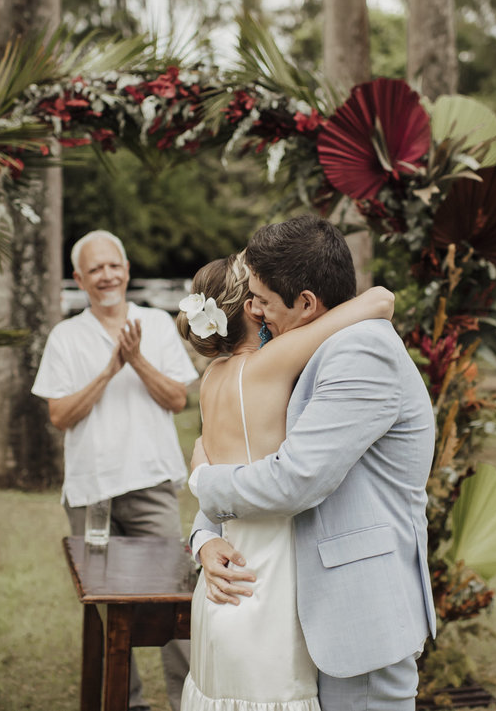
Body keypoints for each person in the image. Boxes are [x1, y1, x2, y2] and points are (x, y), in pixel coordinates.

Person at [189, 216, 438, 711]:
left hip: (354, 617)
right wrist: (205, 536)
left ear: (305, 303)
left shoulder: (361, 350)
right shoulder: (309, 347)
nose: (254, 311)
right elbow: (247, 453)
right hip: (293, 612)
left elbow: (294, 479)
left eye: (261, 298)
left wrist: (202, 480)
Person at [31, 229, 195, 711]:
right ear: (80, 279)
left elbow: (178, 399)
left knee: (174, 605)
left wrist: (136, 359)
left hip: (152, 483)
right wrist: (108, 369)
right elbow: (60, 416)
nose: (107, 275)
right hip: (91, 491)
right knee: (107, 613)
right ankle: (127, 704)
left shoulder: (158, 324)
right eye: (94, 269)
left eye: (113, 265)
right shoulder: (66, 336)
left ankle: (188, 701)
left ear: (126, 270)